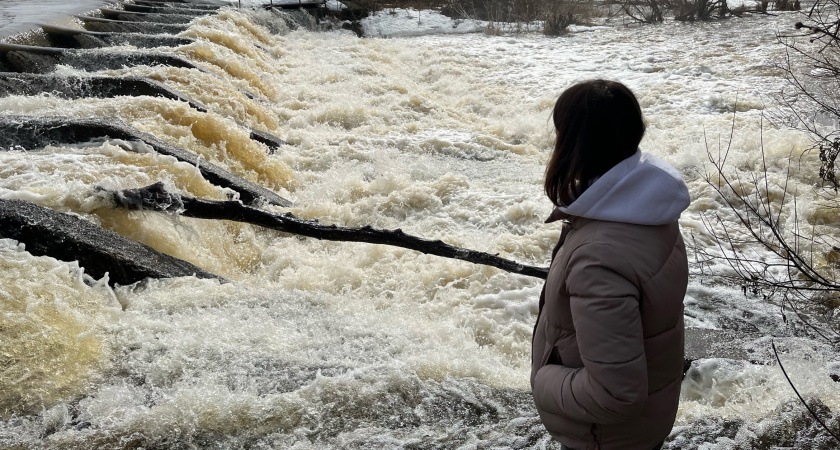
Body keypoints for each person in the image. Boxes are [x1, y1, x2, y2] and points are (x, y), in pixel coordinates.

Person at [531, 79, 690, 450]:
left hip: (604, 439)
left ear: (574, 145)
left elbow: (615, 395)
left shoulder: (598, 259)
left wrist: (542, 379)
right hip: (645, 423)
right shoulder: (648, 207)